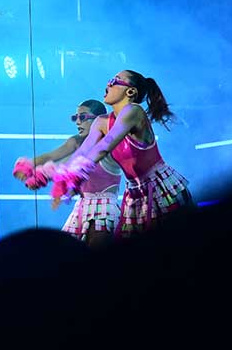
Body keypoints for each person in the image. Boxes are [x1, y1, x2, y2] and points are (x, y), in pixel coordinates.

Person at [33, 71, 191, 237]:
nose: (109, 83)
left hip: (160, 186)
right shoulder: (101, 121)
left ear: (130, 91)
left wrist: (74, 172)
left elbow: (105, 146)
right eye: (110, 79)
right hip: (134, 194)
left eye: (116, 80)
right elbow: (82, 152)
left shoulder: (134, 111)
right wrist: (50, 174)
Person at [13, 99, 121, 247]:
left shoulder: (109, 144)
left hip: (104, 207)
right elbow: (52, 156)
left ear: (98, 120)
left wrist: (42, 175)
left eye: (82, 117)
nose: (78, 122)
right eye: (75, 118)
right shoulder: (76, 142)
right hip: (82, 205)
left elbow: (70, 165)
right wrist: (29, 165)